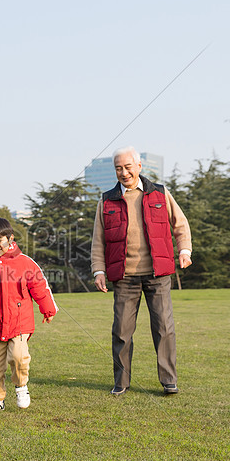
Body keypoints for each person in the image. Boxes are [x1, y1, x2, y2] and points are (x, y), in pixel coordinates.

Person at [90, 146, 192, 395]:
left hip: (158, 274)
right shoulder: (106, 200)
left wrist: (184, 250)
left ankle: (169, 381)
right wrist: (98, 271)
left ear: (138, 166)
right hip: (124, 277)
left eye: (127, 167)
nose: (124, 173)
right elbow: (98, 240)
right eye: (118, 168)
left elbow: (180, 224)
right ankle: (121, 382)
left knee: (164, 328)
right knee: (122, 331)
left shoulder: (160, 193)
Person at [0, 217, 58, 412]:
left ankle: (21, 387)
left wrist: (48, 309)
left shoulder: (25, 263)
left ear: (10, 239)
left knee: (18, 356)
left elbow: (39, 286)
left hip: (19, 323)